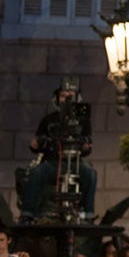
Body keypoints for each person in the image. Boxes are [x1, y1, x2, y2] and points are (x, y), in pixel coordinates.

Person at [19, 77, 99, 223]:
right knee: (37, 173)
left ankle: (87, 216)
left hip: (75, 163)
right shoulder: (48, 119)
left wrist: (86, 146)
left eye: (71, 95)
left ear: (77, 98)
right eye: (63, 95)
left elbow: (87, 145)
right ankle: (27, 214)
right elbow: (37, 145)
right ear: (56, 98)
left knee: (91, 174)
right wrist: (36, 144)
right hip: (52, 163)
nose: (67, 99)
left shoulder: (83, 119)